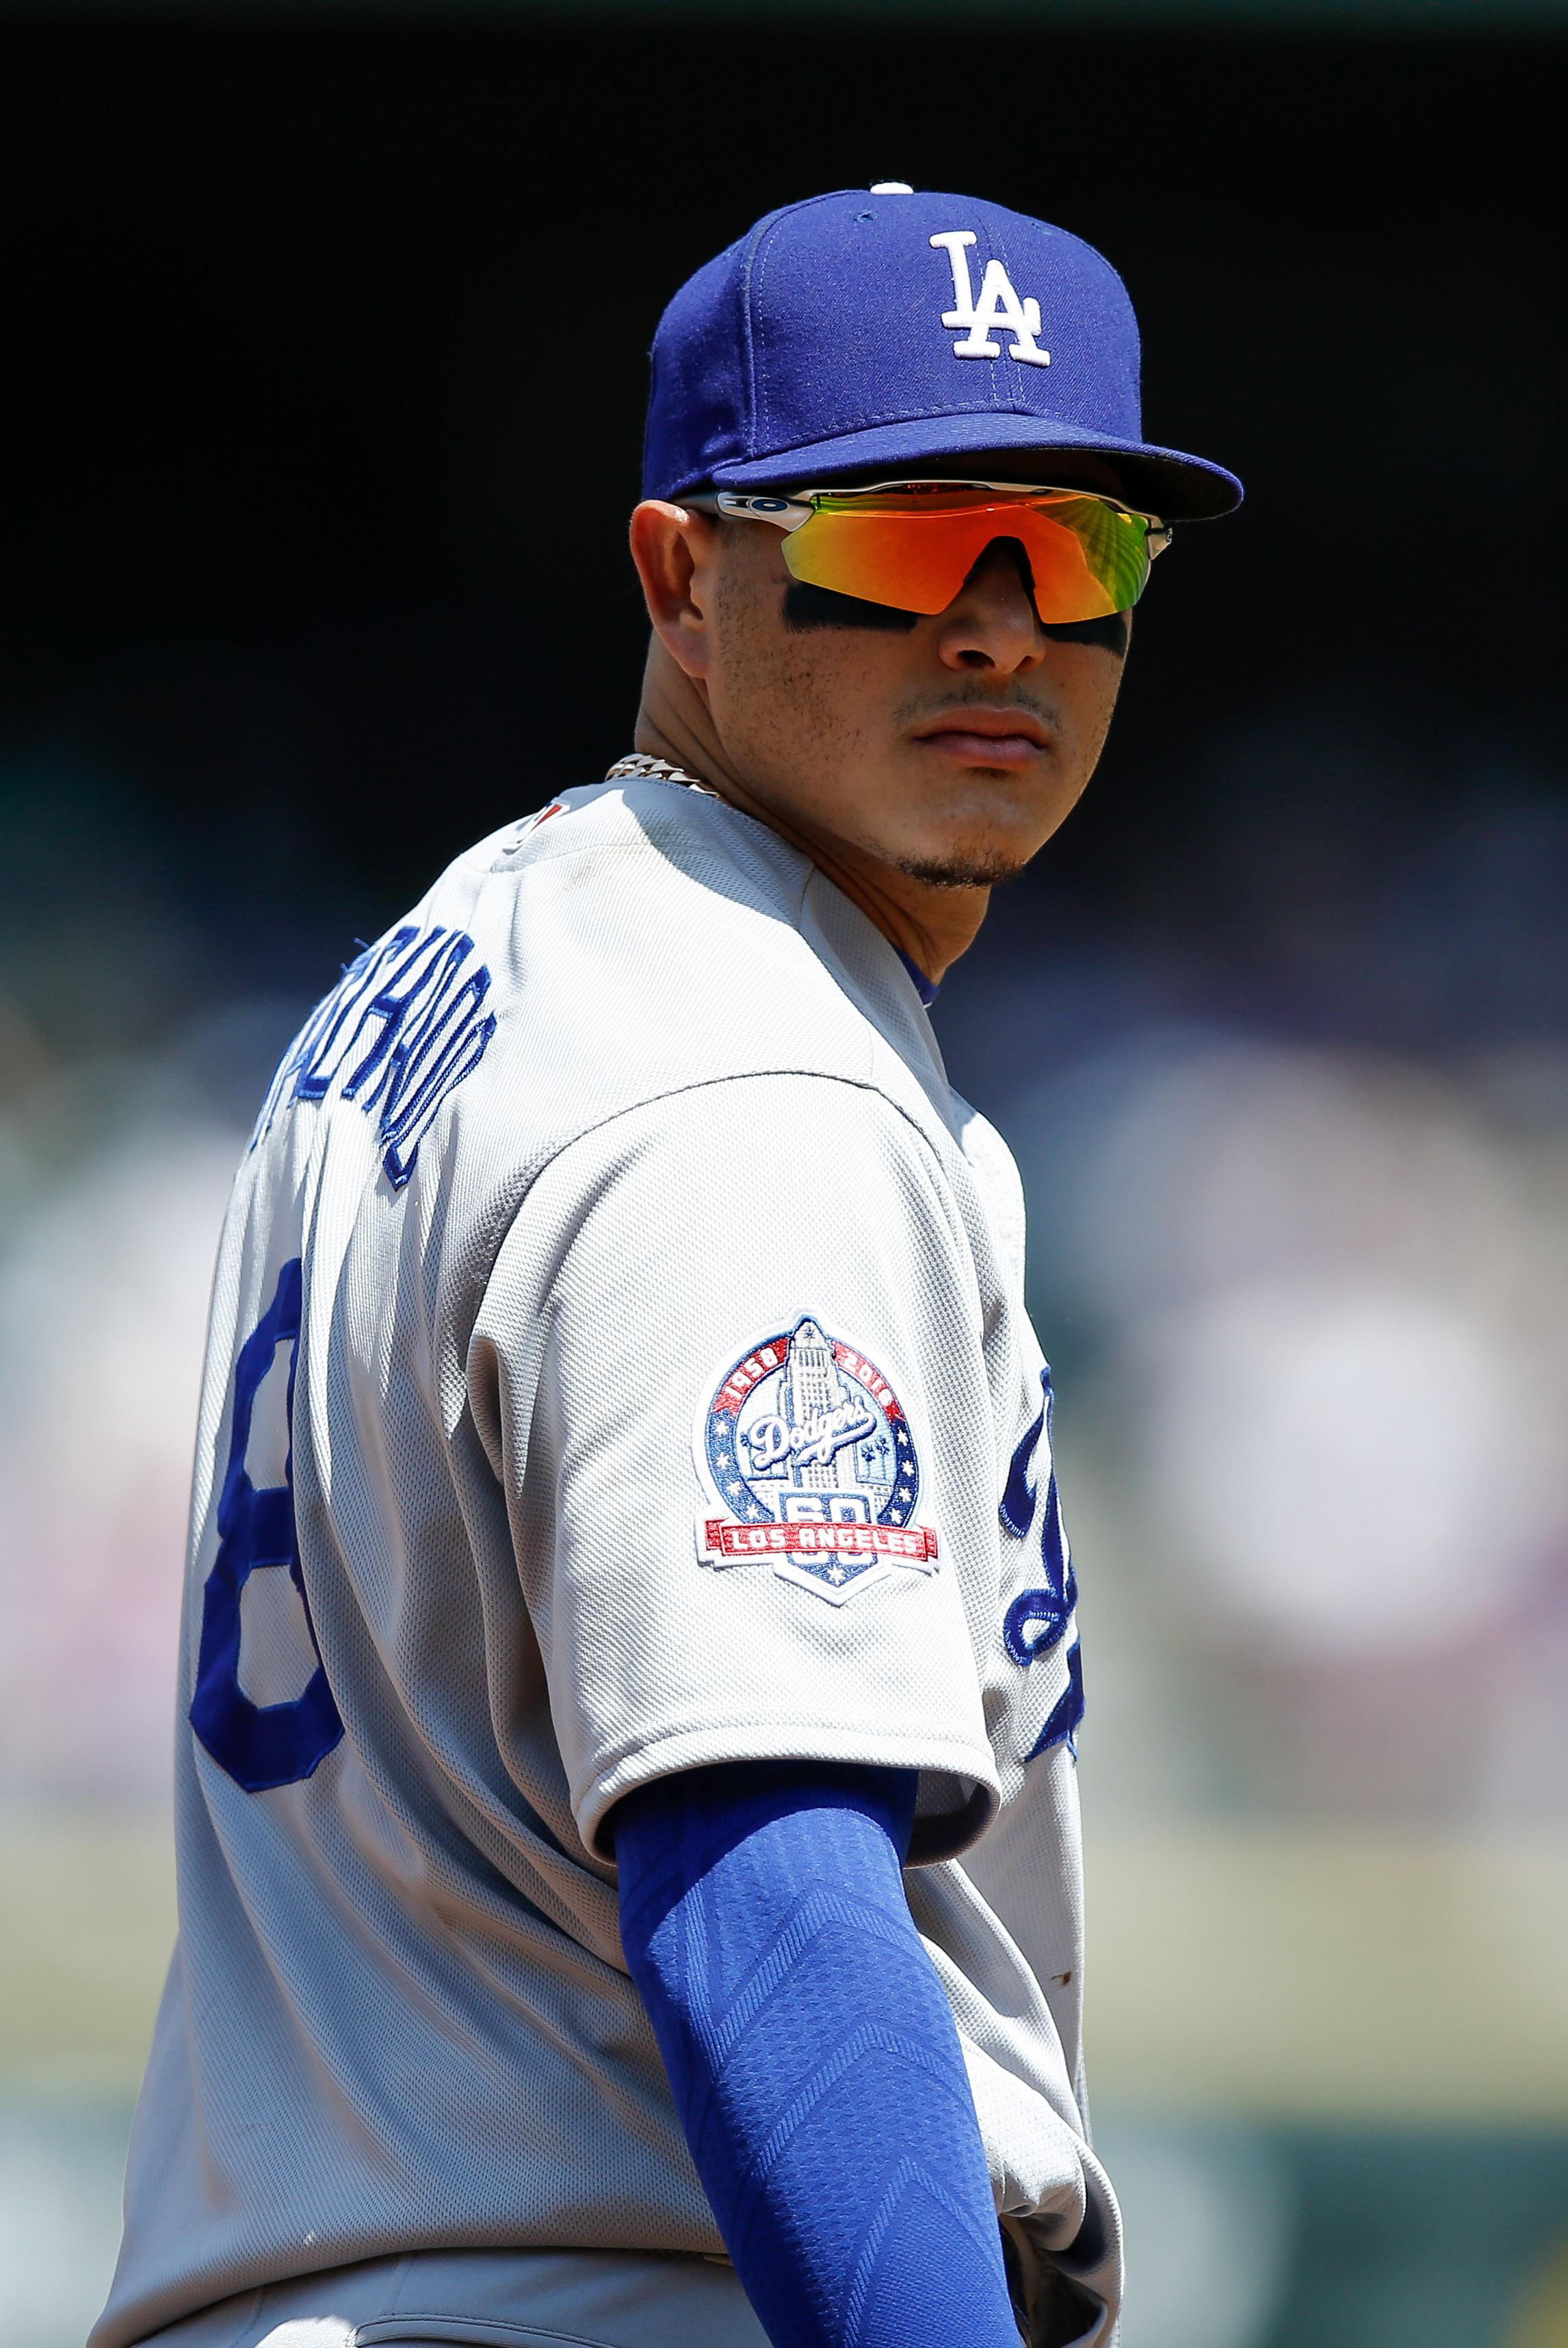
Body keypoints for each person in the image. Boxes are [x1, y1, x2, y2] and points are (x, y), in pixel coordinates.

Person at [94, 184, 1239, 2348]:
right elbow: (767, 1901)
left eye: (1074, 553)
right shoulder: (743, 1085)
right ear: (679, 575)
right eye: (903, 539)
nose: (998, 627)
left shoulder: (480, 956)